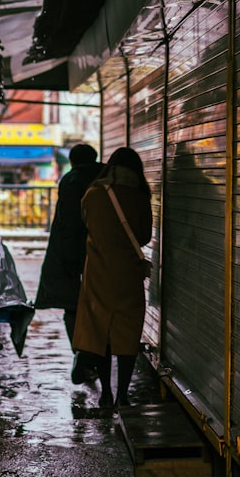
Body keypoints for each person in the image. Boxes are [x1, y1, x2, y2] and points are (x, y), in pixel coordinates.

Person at [71, 147, 152, 408]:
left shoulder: (92, 195)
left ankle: (105, 392)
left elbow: (85, 225)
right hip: (128, 274)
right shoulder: (139, 196)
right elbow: (143, 237)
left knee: (100, 332)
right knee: (127, 333)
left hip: (97, 274)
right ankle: (123, 396)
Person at [34, 143, 102, 345]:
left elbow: (69, 223)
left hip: (76, 252)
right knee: (98, 305)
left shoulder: (72, 181)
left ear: (72, 161)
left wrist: (69, 258)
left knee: (73, 305)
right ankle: (95, 351)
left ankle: (82, 353)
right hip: (103, 250)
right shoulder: (106, 179)